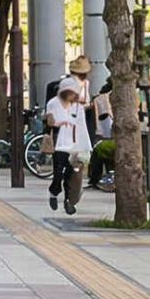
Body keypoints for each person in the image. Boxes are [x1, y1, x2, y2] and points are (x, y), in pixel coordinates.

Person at [45, 82, 87, 215]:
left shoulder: (77, 106)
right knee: (58, 172)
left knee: (71, 174)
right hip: (59, 143)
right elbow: (49, 121)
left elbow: (82, 126)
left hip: (74, 144)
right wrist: (61, 121)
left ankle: (69, 201)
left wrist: (84, 145)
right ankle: (54, 191)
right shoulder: (52, 103)